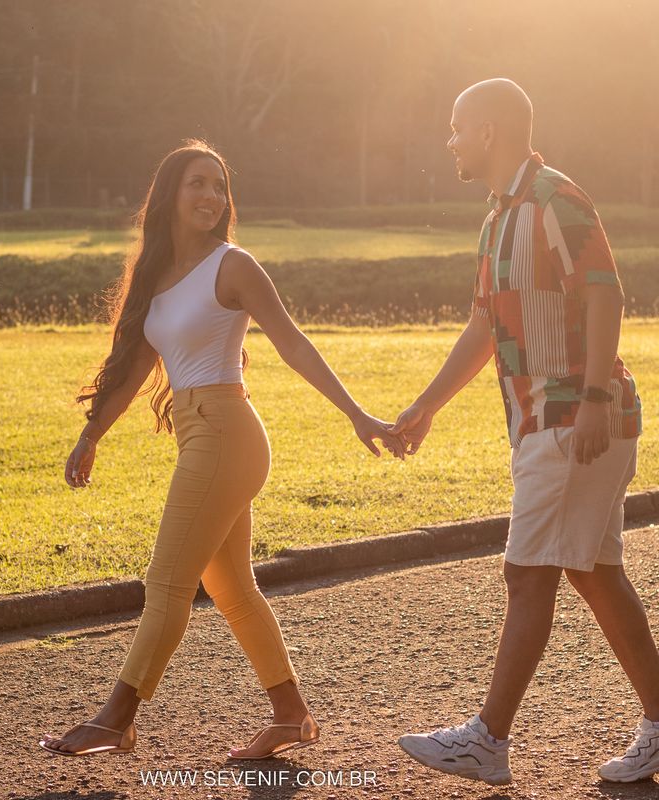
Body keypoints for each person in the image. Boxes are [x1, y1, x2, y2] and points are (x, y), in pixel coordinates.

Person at [38, 139, 403, 760]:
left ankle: (115, 718)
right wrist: (91, 434)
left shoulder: (232, 266)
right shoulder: (156, 277)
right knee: (232, 588)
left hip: (227, 431)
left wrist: (356, 414)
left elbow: (292, 343)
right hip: (199, 432)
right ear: (169, 197)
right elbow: (131, 371)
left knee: (167, 582)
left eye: (220, 186)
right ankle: (291, 716)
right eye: (197, 185)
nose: (212, 197)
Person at [392, 79, 657, 785]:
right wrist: (427, 406)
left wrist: (596, 396)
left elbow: (606, 292)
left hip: (575, 416)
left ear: (487, 131)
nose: (448, 141)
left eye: (455, 128)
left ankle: (487, 739)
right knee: (594, 572)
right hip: (549, 417)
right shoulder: (497, 217)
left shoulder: (554, 198)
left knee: (526, 574)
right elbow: (486, 323)